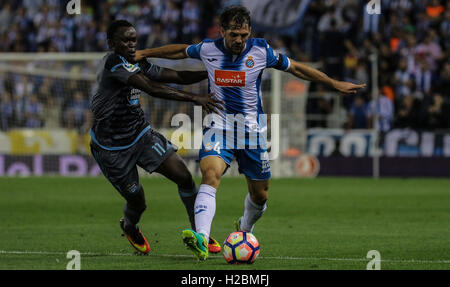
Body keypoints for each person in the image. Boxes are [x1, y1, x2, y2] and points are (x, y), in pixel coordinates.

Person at [135, 6, 366, 260]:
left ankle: (244, 230)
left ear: (250, 32)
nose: (239, 40)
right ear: (222, 30)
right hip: (219, 126)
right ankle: (201, 237)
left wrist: (333, 84)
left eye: (244, 35)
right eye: (234, 34)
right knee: (210, 175)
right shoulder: (208, 49)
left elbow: (297, 68)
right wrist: (144, 53)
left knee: (260, 195)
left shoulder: (261, 50)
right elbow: (180, 50)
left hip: (252, 133)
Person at [90, 20, 224, 255]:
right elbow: (151, 87)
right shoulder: (112, 62)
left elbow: (174, 76)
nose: (131, 45)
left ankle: (200, 234)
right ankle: (129, 226)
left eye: (134, 40)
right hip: (111, 148)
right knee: (137, 201)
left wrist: (213, 73)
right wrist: (196, 99)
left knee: (184, 177)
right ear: (112, 43)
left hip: (140, 134)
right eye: (125, 40)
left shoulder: (138, 61)